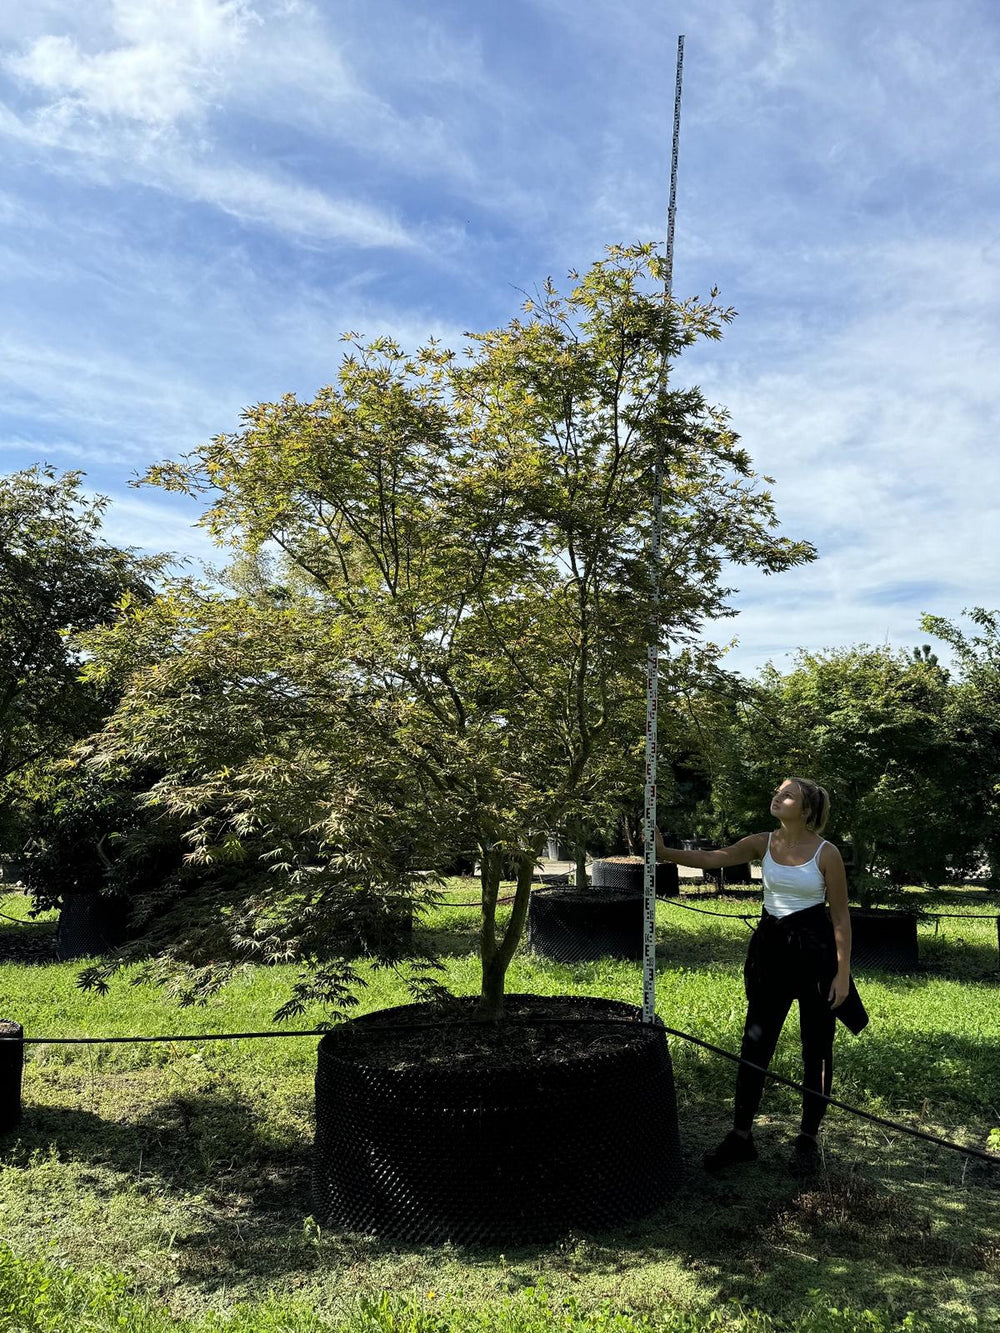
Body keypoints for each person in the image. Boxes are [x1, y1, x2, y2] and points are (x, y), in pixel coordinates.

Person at [655, 777, 863, 1177]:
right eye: (778, 791)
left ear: (805, 810)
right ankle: (741, 1136)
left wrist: (842, 974)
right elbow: (714, 858)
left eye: (787, 795)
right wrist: (665, 852)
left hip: (816, 956)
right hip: (770, 953)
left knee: (816, 1047)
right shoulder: (762, 841)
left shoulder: (826, 853)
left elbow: (840, 917)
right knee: (755, 1042)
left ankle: (808, 1138)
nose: (777, 796)